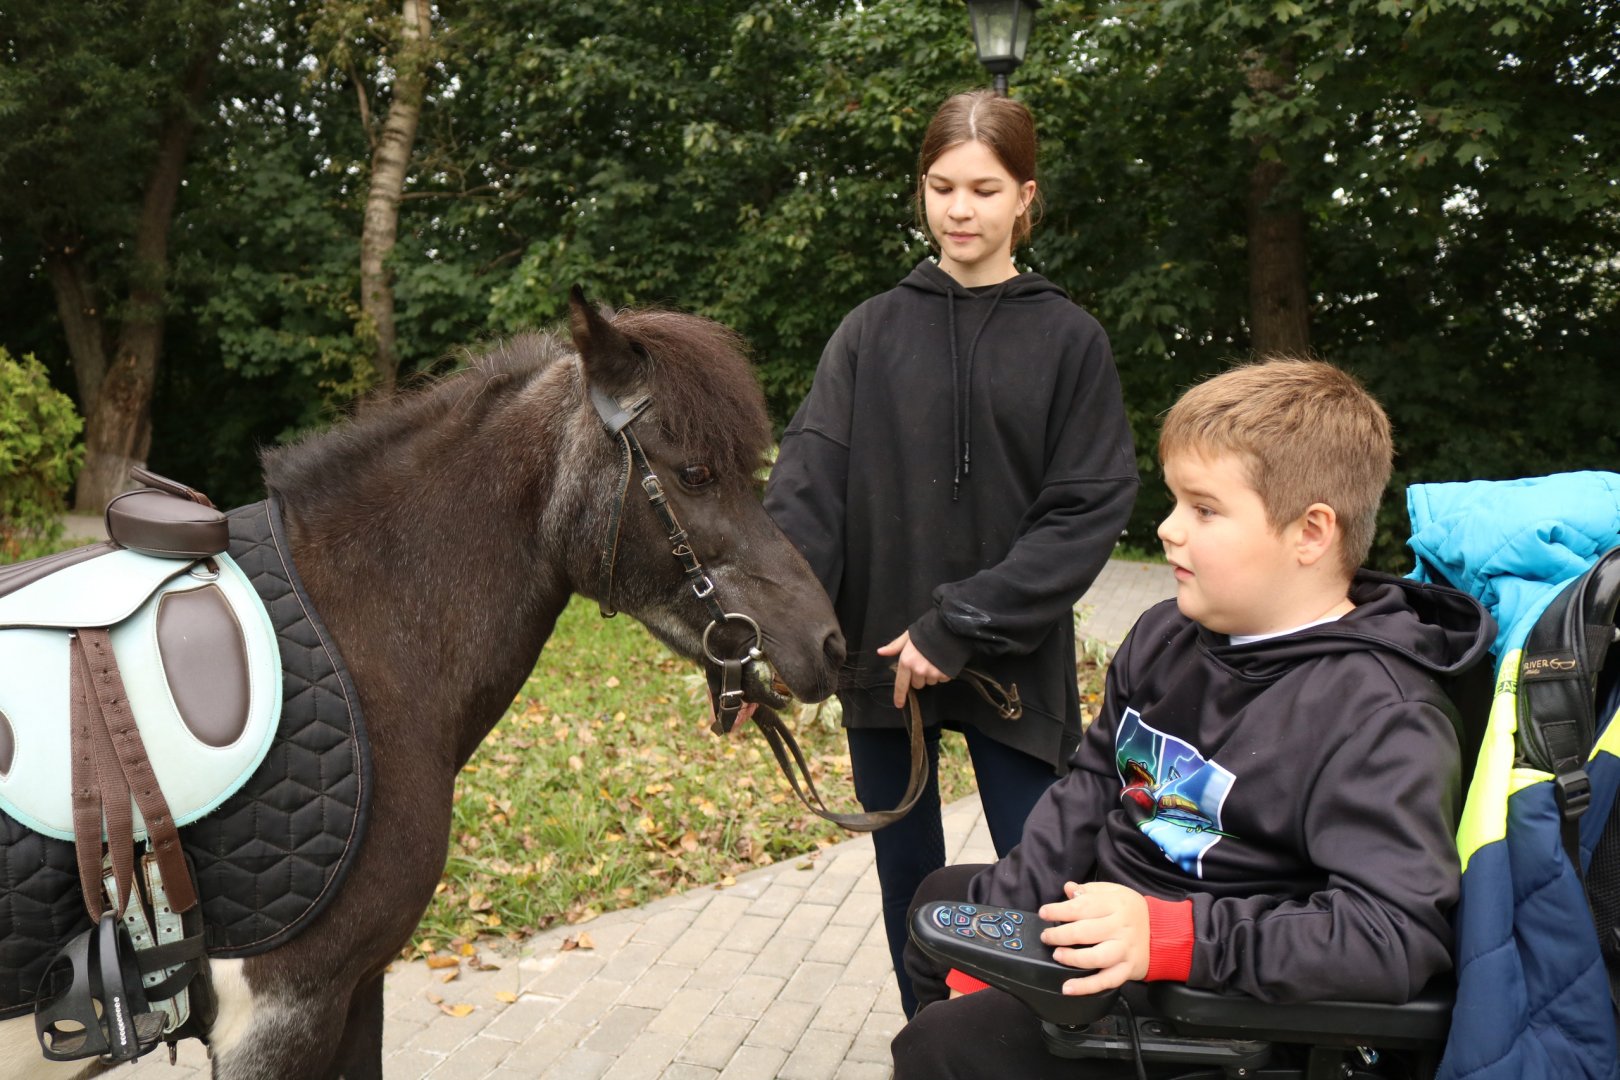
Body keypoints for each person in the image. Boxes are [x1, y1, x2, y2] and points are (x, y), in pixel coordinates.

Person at [890, 359, 1495, 1078]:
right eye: (1175, 500)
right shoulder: (1165, 633)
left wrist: (1174, 937)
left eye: (1203, 509)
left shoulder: (1381, 713)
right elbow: (1089, 787)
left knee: (946, 1050)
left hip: (1216, 1000)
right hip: (1118, 922)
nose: (1168, 529)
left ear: (1310, 534)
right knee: (945, 906)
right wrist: (1003, 940)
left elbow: (1392, 937)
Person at [763, 89, 1139, 1019]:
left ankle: (1032, 1050)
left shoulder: (1068, 340)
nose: (959, 210)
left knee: (1038, 891)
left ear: (1025, 198)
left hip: (1011, 662)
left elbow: (1087, 505)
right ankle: (934, 1045)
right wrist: (765, 637)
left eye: (983, 188)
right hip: (882, 665)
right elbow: (808, 491)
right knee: (907, 893)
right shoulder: (869, 332)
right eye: (941, 187)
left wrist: (961, 623)